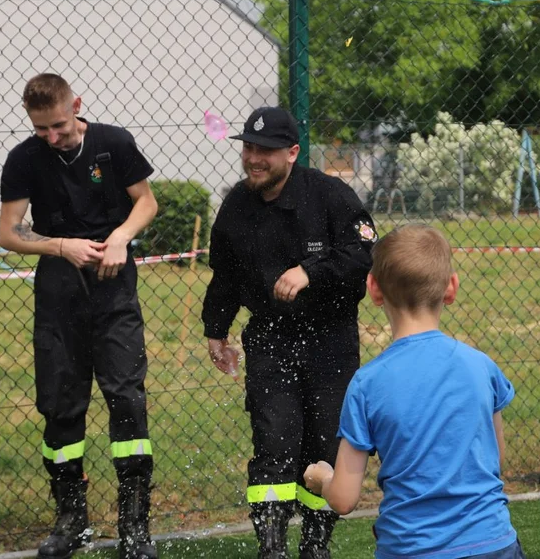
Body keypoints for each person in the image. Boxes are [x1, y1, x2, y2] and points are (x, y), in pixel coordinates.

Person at [202, 106, 377, 559]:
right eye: (248, 148)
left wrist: (310, 271)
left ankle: (316, 545)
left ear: (293, 153)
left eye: (266, 151)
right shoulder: (236, 206)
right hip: (270, 339)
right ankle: (272, 547)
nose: (253, 158)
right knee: (274, 441)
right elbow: (224, 276)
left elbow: (364, 254)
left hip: (331, 340)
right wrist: (216, 331)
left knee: (325, 445)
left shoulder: (332, 196)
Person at [0, 73, 159, 559]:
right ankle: (72, 520)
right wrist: (59, 246)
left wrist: (119, 239)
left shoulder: (114, 142)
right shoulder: (24, 159)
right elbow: (8, 233)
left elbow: (146, 202)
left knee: (127, 400)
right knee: (60, 407)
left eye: (59, 126)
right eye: (41, 128)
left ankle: (135, 527)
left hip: (114, 291)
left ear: (77, 107)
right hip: (58, 290)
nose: (51, 137)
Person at [303, 224, 522, 559]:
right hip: (494, 544)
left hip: (410, 550)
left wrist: (323, 477)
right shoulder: (482, 366)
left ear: (373, 290)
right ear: (451, 288)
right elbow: (495, 460)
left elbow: (344, 499)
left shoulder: (367, 383)